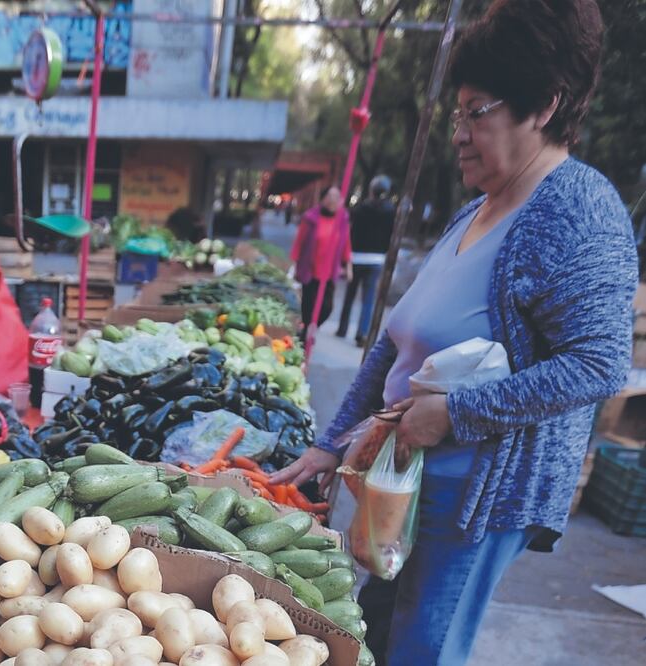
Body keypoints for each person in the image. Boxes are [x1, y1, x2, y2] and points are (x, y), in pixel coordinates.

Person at [271, 1, 638, 663]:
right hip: (406, 482)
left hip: (477, 497)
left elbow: (599, 363)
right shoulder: (473, 211)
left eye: (476, 113)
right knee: (372, 633)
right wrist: (331, 443)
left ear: (544, 105)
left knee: (422, 648)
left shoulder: (579, 208)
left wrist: (454, 413)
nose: (459, 135)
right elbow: (396, 341)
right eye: (456, 116)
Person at [336, 176, 395, 346]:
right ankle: (362, 333)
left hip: (356, 256)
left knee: (350, 294)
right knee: (368, 298)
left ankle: (342, 328)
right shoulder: (391, 211)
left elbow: (350, 231)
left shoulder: (360, 209)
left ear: (371, 190)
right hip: (376, 259)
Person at [291, 185, 352, 340]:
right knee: (308, 307)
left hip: (329, 271)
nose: (332, 200)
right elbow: (300, 241)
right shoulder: (310, 218)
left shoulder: (342, 219)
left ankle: (310, 329)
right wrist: (295, 264)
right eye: (329, 196)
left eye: (336, 197)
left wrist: (348, 265)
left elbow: (346, 244)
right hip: (310, 269)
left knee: (327, 307)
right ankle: (305, 335)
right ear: (322, 199)